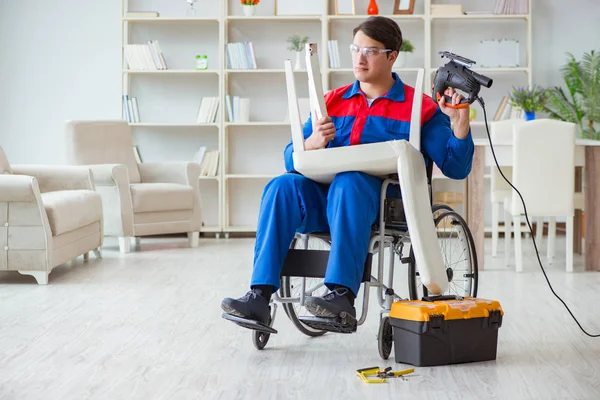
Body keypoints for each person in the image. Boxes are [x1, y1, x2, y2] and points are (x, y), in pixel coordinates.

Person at [221, 16, 474, 329]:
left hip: (383, 206)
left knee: (349, 181)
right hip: (327, 203)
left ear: (392, 56)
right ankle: (259, 296)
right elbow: (291, 157)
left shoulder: (418, 107)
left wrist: (459, 121)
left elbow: (456, 167)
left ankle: (340, 296)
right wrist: (313, 142)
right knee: (281, 186)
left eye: (370, 51)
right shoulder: (332, 101)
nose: (359, 57)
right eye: (355, 49)